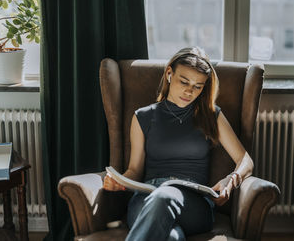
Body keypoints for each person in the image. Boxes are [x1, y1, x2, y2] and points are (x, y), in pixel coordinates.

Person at [103, 46, 254, 241]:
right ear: (169, 74)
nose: (189, 91)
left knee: (164, 196)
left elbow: (245, 160)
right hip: (147, 197)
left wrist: (231, 180)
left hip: (193, 203)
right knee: (172, 237)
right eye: (184, 81)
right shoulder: (142, 117)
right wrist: (120, 182)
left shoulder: (211, 115)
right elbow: (134, 170)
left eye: (198, 86)